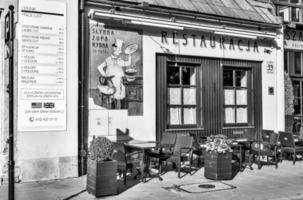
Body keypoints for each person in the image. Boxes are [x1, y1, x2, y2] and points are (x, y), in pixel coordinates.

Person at [97, 38, 132, 109]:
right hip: (112, 83)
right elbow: (99, 67)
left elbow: (128, 63)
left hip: (120, 83)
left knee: (123, 100)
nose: (120, 51)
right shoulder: (108, 59)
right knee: (113, 102)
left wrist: (130, 55)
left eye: (120, 49)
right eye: (119, 49)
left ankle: (123, 116)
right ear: (114, 48)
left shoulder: (119, 60)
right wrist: (106, 77)